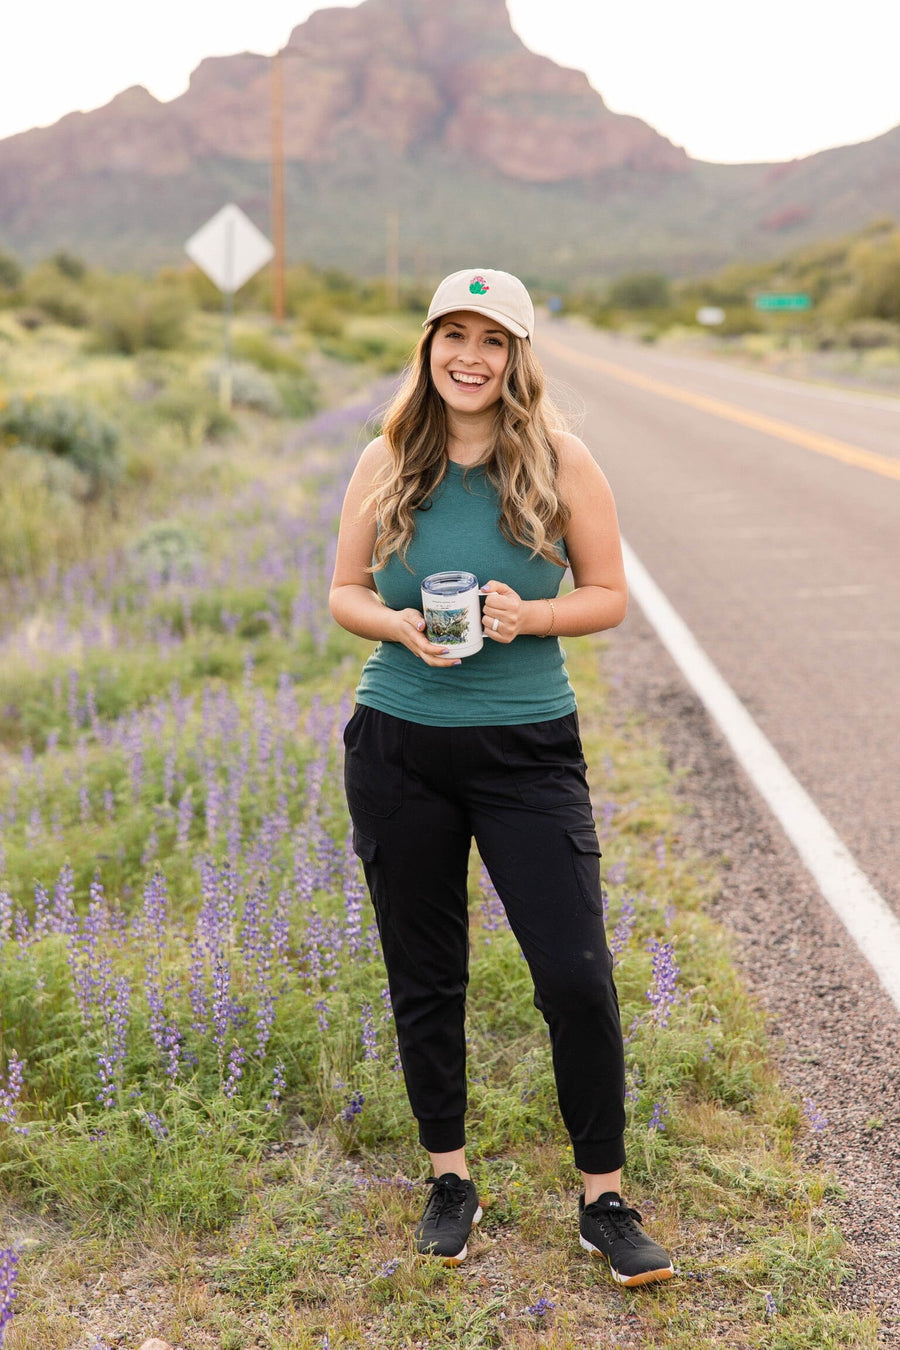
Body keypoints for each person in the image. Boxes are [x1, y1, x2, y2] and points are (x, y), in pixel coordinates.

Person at [329, 268, 673, 1287]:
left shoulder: (563, 459)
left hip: (527, 747)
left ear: (518, 356)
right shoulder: (385, 459)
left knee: (574, 975)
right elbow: (344, 589)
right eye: (453, 335)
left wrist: (533, 615)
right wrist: (397, 623)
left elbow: (608, 594)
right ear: (429, 345)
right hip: (397, 743)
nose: (469, 358)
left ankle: (603, 1199)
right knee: (425, 975)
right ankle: (449, 1179)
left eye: (492, 340)